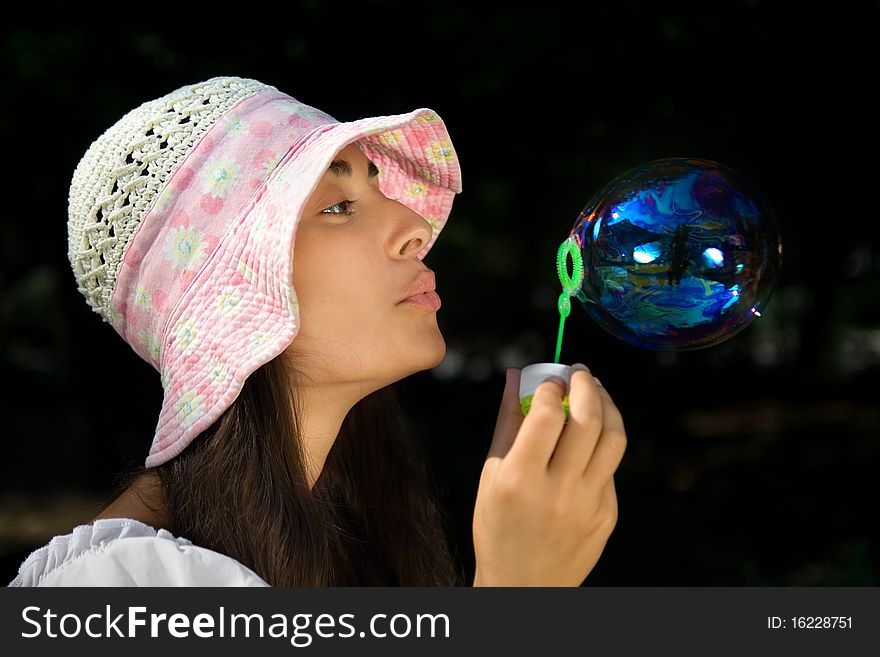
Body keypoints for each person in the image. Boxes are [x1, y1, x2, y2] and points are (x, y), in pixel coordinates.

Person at [8, 76, 626, 587]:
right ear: (233, 296)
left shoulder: (340, 547)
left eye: (378, 184)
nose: (415, 223)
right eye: (336, 206)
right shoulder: (124, 586)